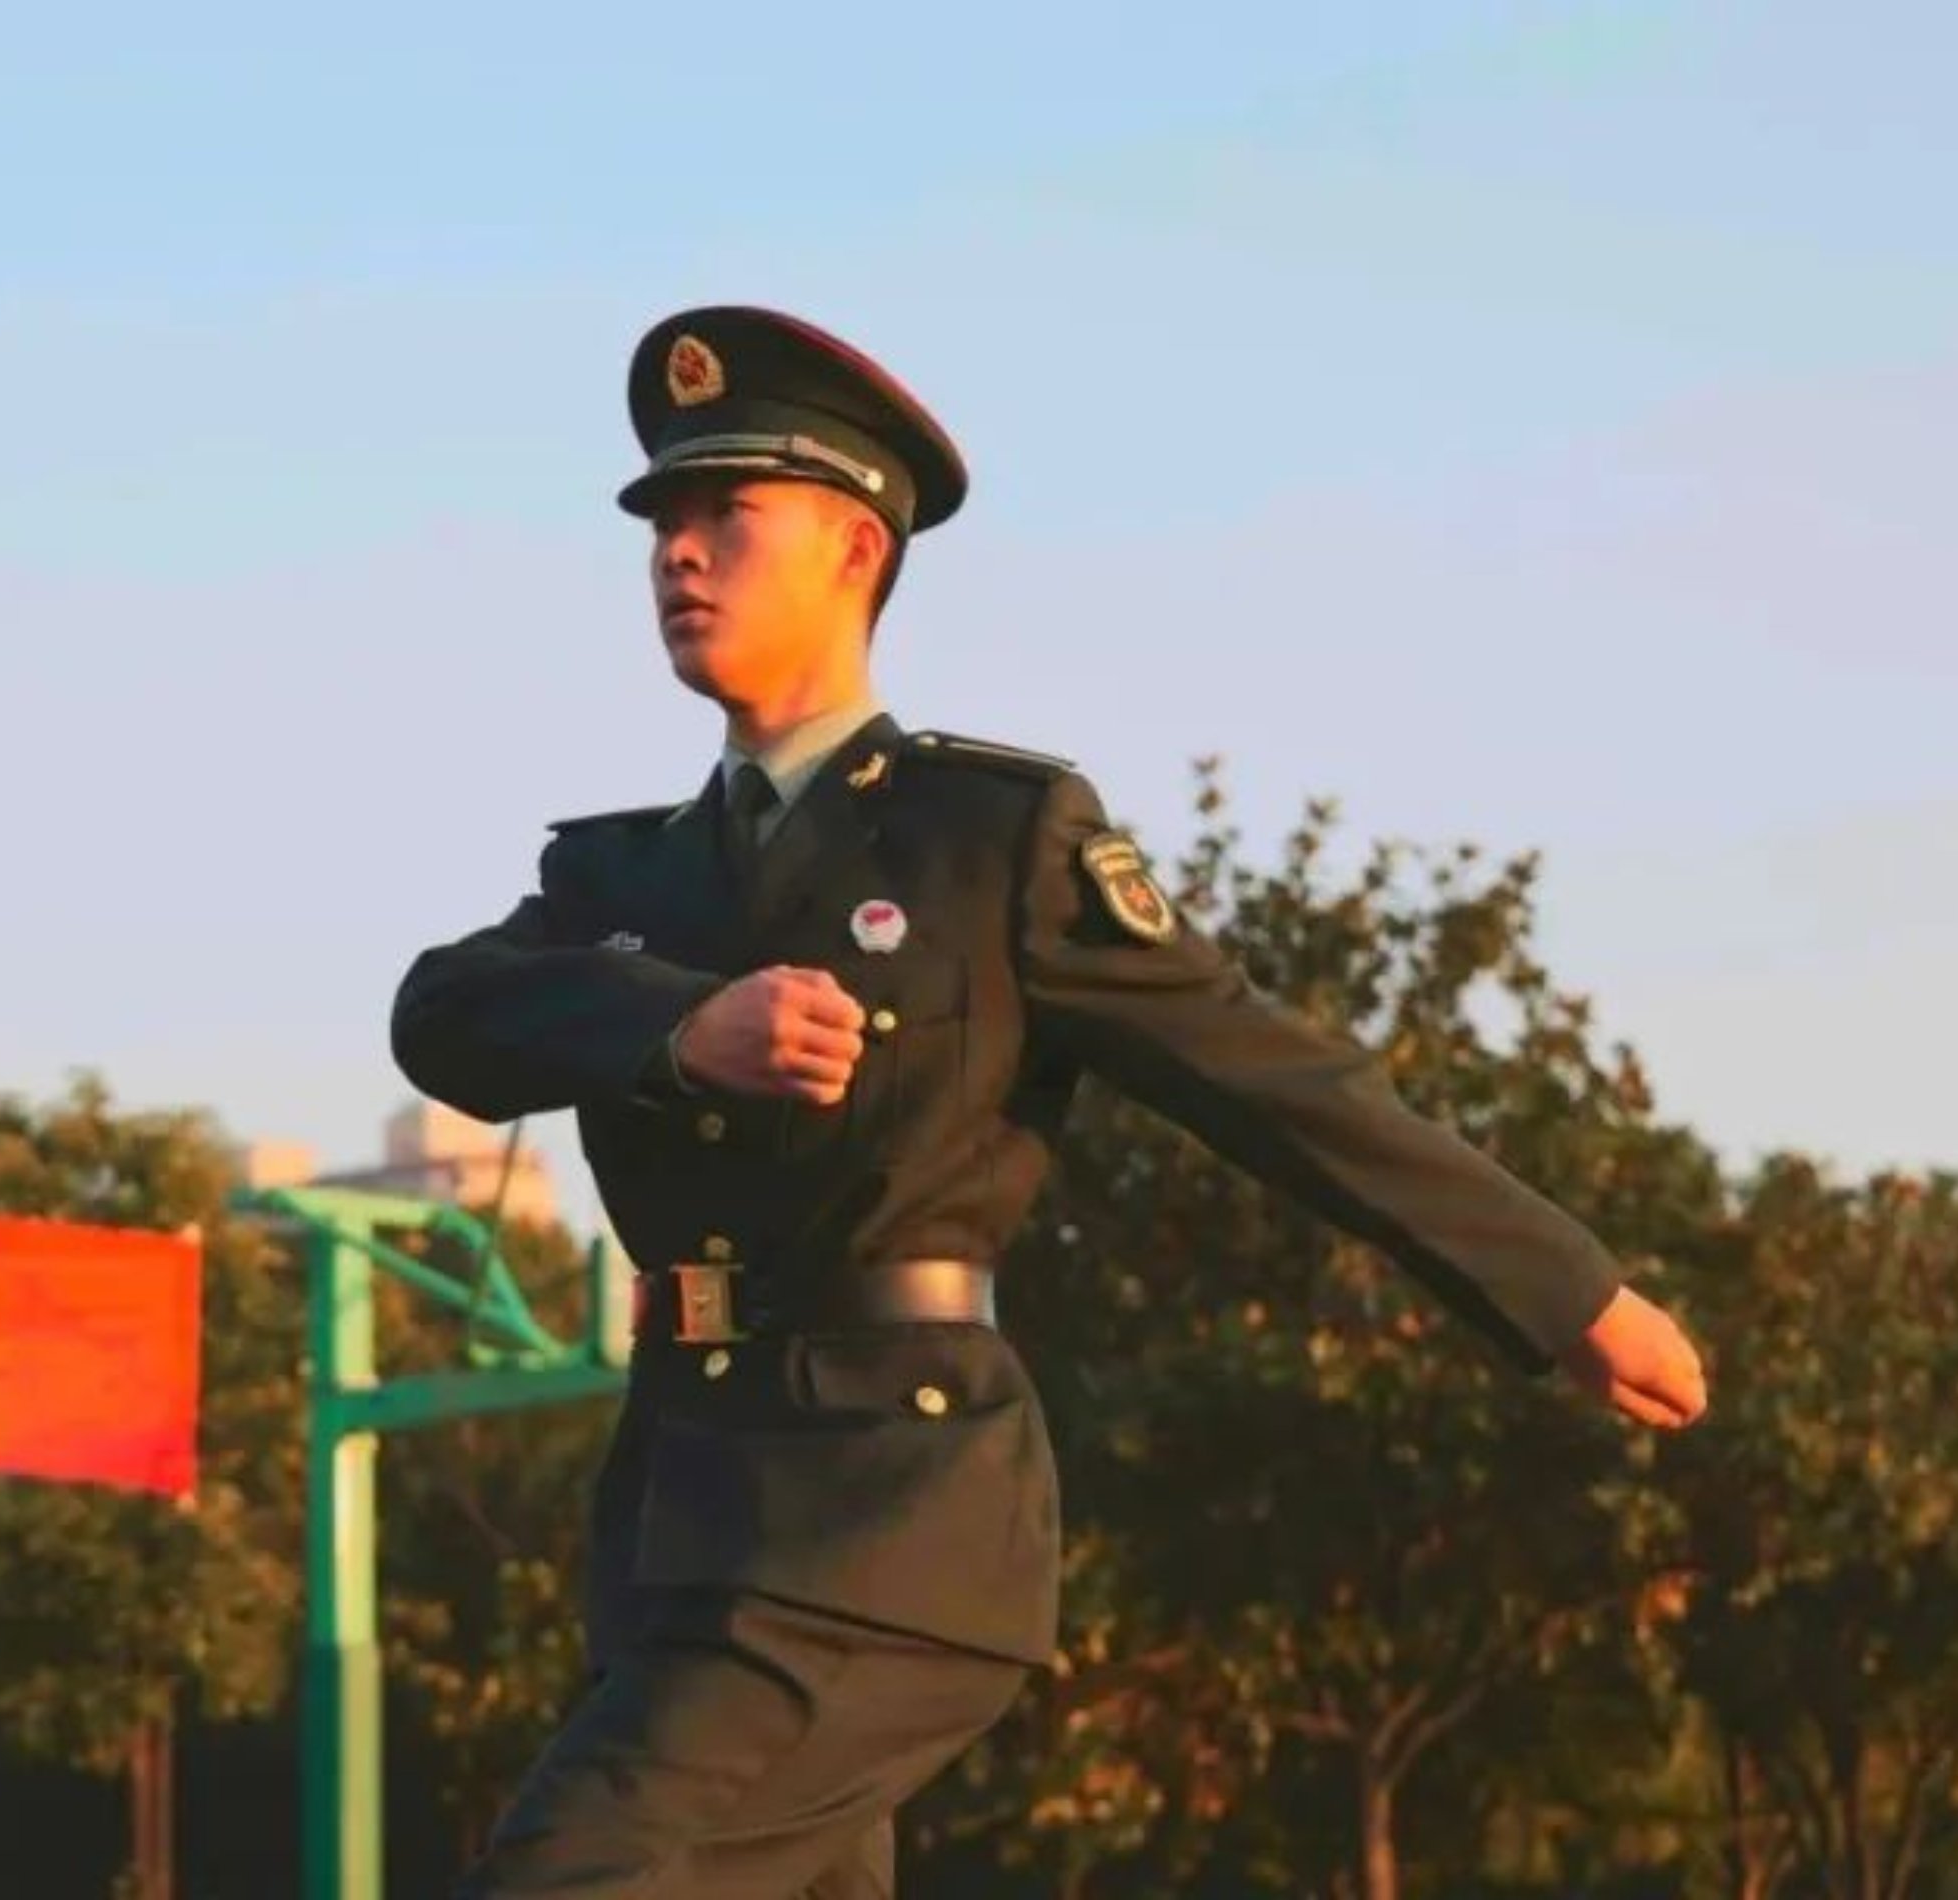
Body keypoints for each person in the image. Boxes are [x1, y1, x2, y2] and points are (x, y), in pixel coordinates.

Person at [387, 304, 1711, 1899]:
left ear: (856, 548)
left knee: (572, 1872)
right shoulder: (620, 877)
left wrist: (1568, 1291)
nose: (677, 552)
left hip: (887, 1507)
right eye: (663, 520)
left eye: (725, 514)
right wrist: (682, 1028)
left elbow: (1275, 1081)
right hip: (679, 1516)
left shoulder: (989, 837)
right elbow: (442, 1016)